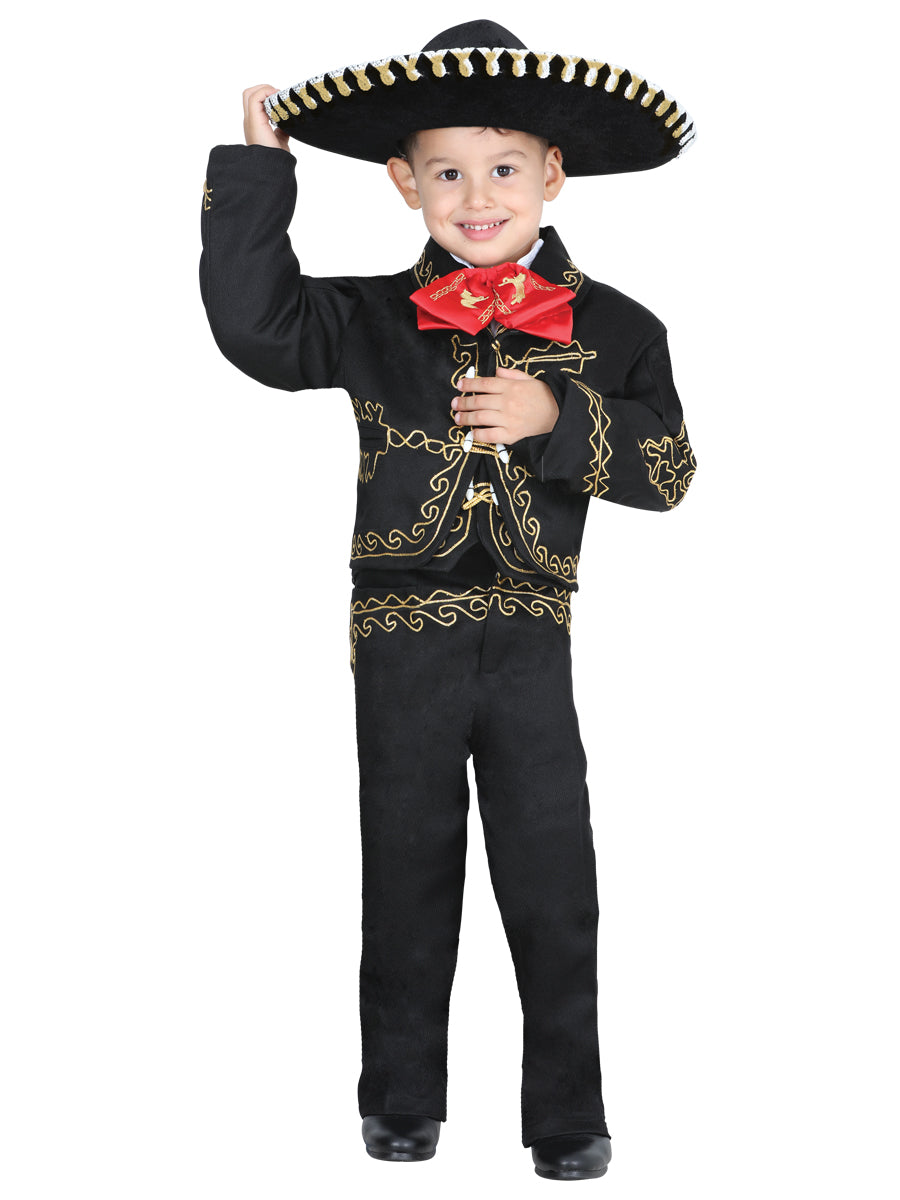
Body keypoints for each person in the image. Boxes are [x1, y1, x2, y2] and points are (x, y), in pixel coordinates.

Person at [199, 18, 696, 1181]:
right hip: (401, 643)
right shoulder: (370, 315)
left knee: (553, 879)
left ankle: (568, 1112)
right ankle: (401, 1099)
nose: (479, 197)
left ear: (553, 175)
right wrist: (260, 171)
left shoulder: (620, 327)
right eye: (449, 173)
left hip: (530, 642)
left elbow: (671, 471)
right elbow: (255, 326)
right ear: (404, 182)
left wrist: (559, 419)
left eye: (505, 167)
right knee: (407, 867)